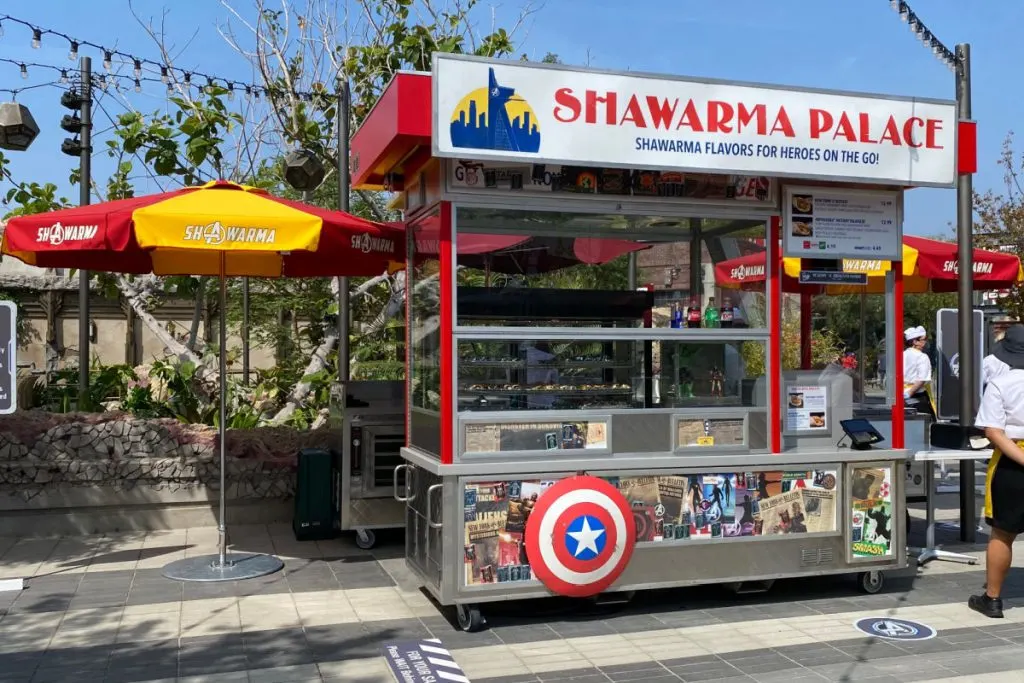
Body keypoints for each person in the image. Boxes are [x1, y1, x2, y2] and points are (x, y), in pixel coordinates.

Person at [970, 324, 1024, 618]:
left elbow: (993, 431)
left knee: (1002, 533)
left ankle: (992, 599)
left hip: (1011, 461)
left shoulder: (1001, 383)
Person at [903, 326, 935, 419]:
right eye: (923, 339)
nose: (925, 342)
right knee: (925, 423)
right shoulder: (922, 357)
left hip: (902, 393)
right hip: (917, 396)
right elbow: (922, 379)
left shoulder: (902, 355)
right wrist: (909, 394)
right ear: (915, 342)